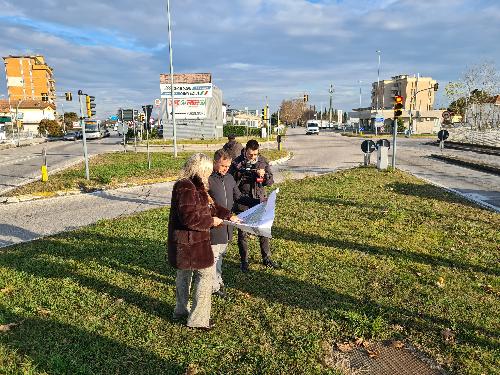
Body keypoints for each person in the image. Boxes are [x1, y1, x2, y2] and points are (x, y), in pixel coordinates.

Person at [167, 153, 239, 330]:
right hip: (190, 244)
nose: (209, 173)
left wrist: (229, 215)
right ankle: (198, 320)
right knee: (205, 276)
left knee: (184, 276)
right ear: (199, 169)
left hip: (190, 243)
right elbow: (189, 219)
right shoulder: (185, 187)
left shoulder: (197, 187)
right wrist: (211, 222)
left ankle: (180, 311)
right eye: (207, 170)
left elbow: (212, 207)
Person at [229, 139, 278, 272]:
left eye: (255, 155)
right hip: (242, 201)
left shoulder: (263, 161)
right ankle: (244, 261)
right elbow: (230, 182)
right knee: (242, 233)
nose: (253, 157)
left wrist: (264, 175)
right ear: (245, 151)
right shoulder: (237, 162)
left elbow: (270, 181)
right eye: (251, 155)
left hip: (259, 200)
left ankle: (266, 257)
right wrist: (241, 173)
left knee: (263, 230)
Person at [207, 149, 246, 298]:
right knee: (213, 257)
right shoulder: (208, 180)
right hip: (214, 226)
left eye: (228, 166)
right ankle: (213, 287)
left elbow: (239, 196)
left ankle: (218, 279)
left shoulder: (229, 178)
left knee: (220, 255)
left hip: (227, 226)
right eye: (223, 166)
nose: (226, 169)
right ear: (215, 162)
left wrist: (258, 202)